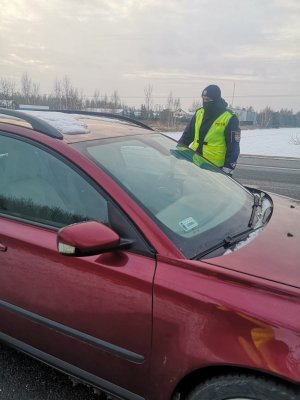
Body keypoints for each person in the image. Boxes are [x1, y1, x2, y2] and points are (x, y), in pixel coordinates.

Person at [177, 84, 240, 176]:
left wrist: (228, 170)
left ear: (216, 99)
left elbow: (233, 147)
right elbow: (187, 136)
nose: (205, 102)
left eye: (208, 99)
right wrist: (177, 152)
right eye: (203, 99)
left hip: (215, 168)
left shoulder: (229, 118)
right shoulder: (199, 113)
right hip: (195, 162)